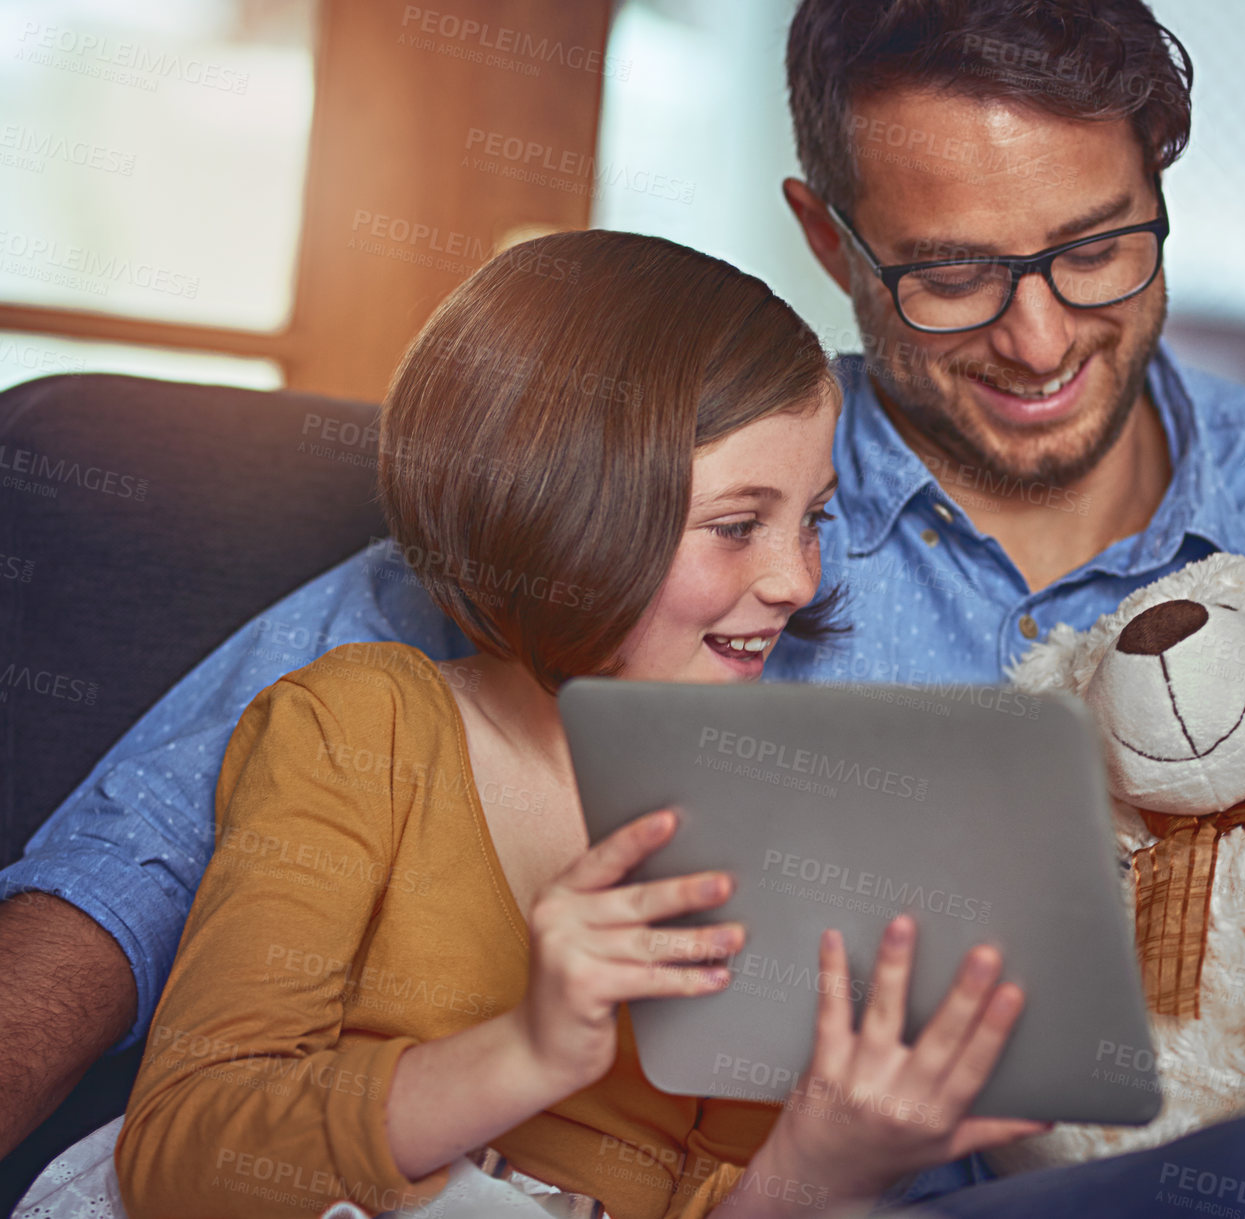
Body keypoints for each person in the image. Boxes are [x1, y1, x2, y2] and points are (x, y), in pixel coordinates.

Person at [0, 1, 1245, 1214]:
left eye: (1095, 248)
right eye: (951, 273)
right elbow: (142, 846)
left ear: (1156, 190)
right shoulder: (668, 507)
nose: (1040, 337)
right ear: (822, 235)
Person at [102, 229, 1044, 1219]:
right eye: (735, 526)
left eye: (813, 518)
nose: (795, 579)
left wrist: (824, 1154)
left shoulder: (786, 810)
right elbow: (180, 1156)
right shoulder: (364, 732)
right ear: (560, 512)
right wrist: (528, 1050)